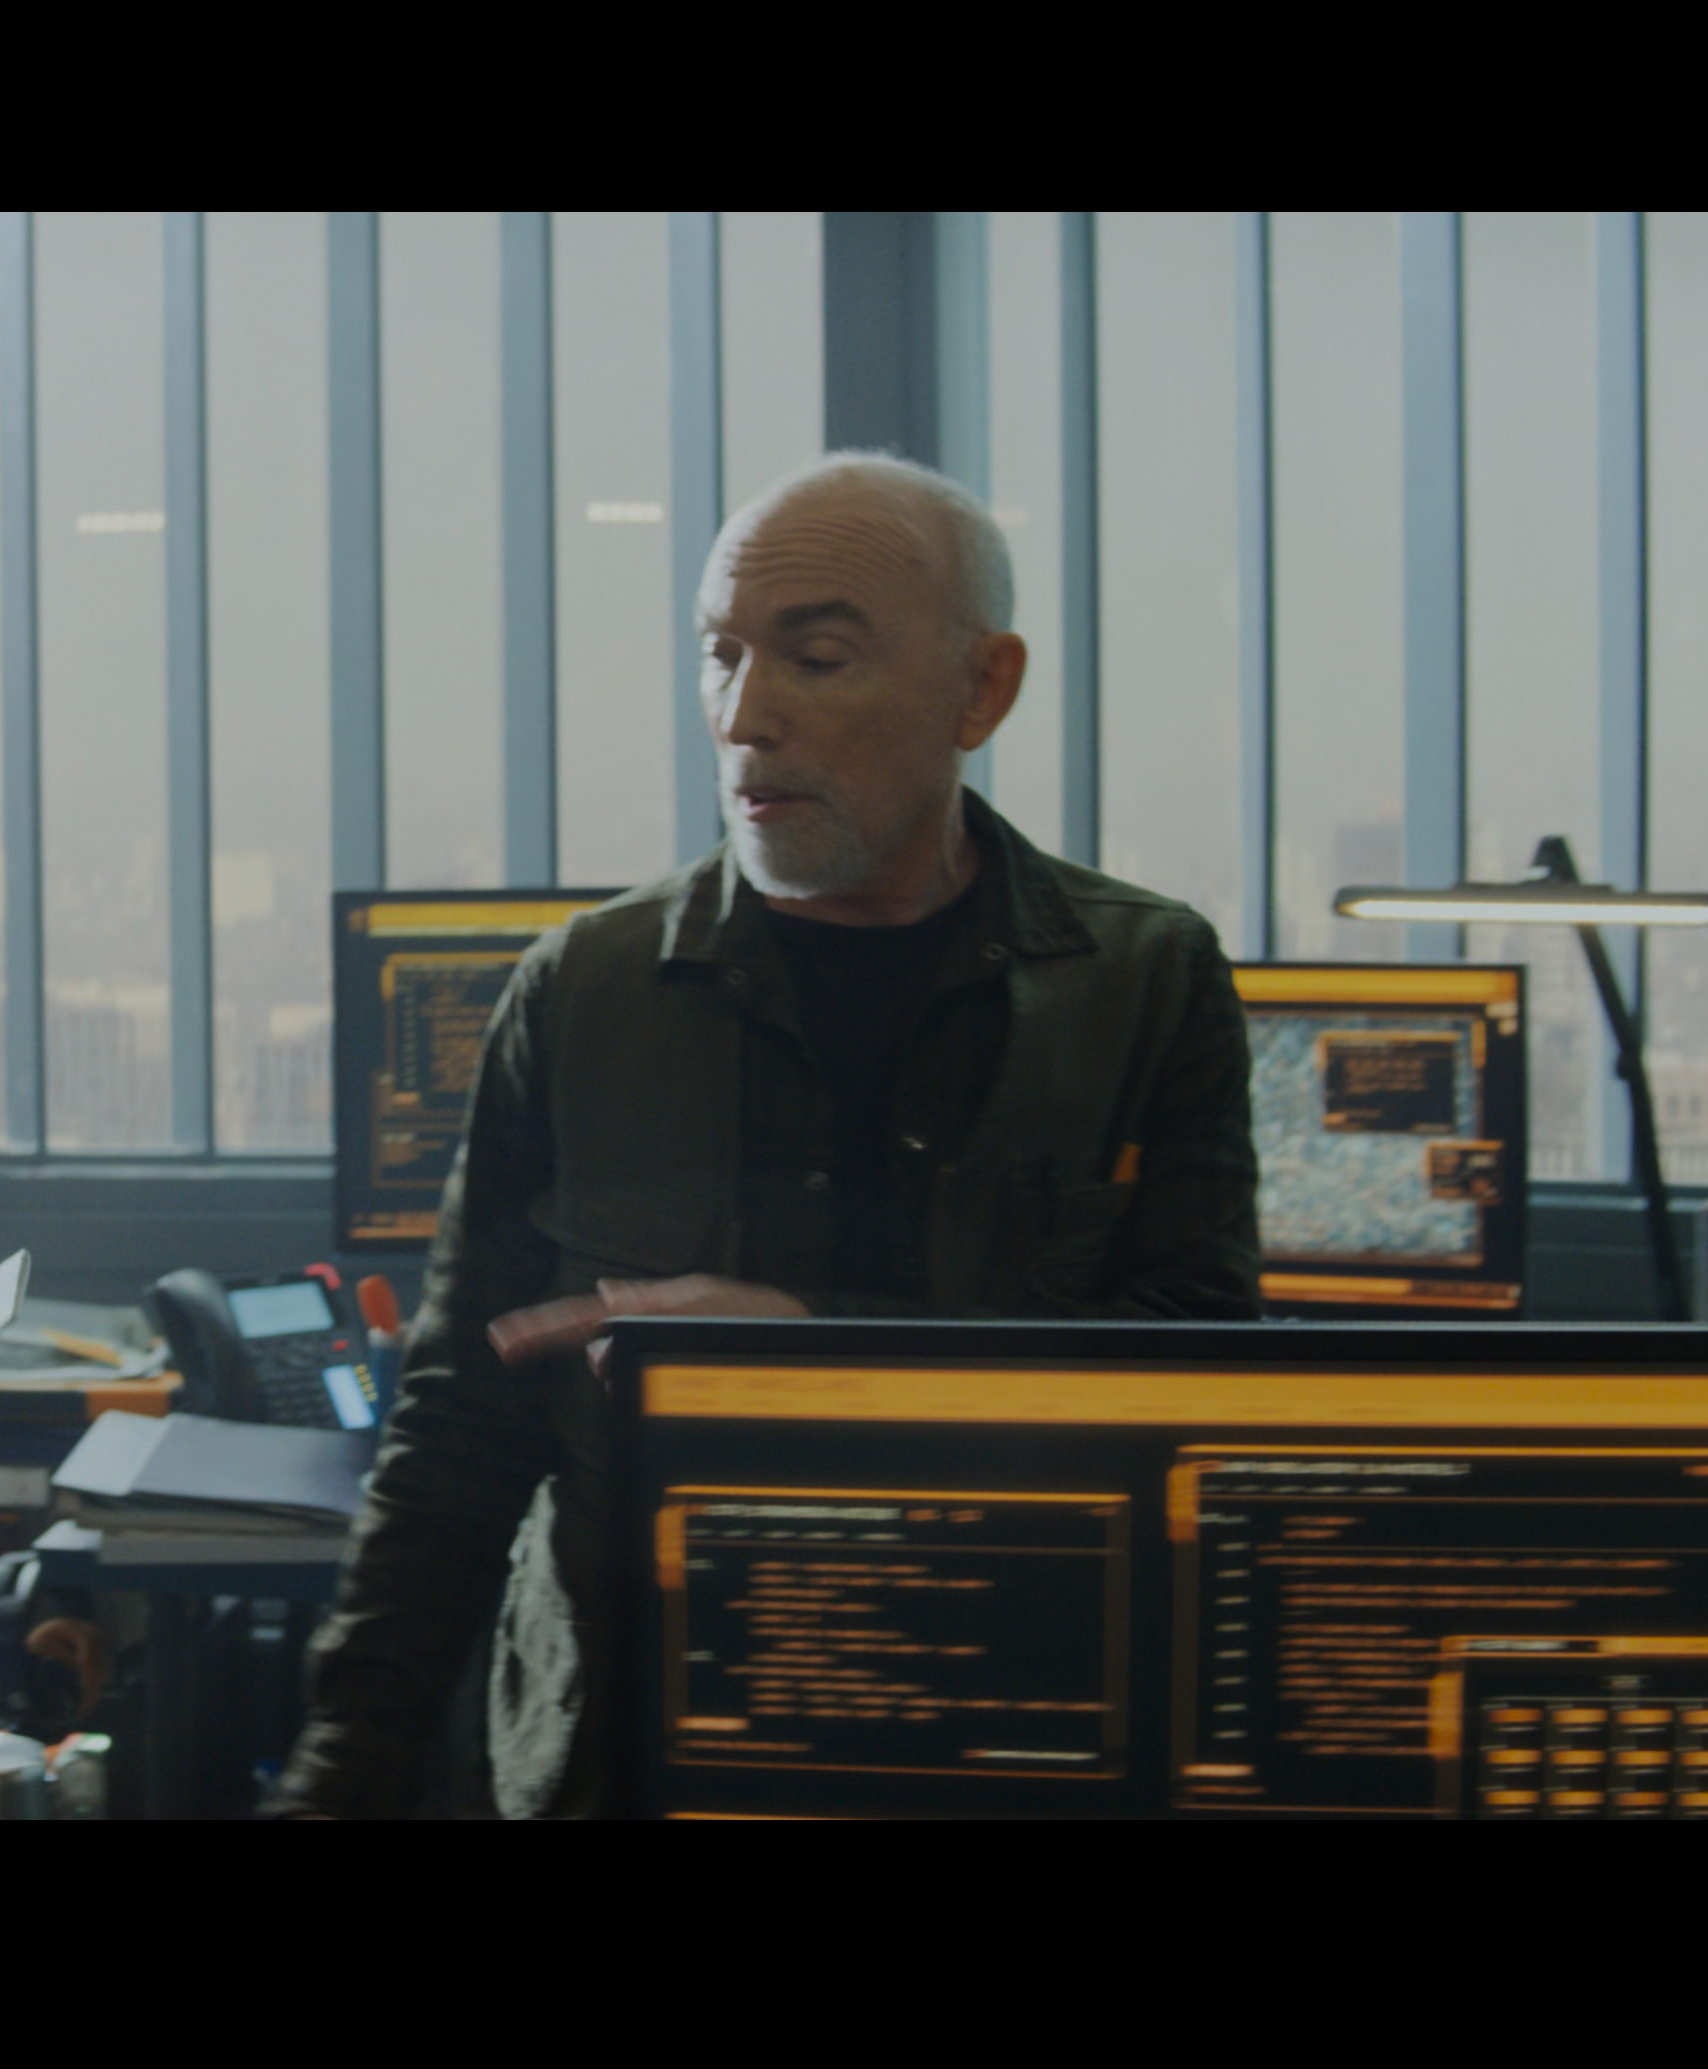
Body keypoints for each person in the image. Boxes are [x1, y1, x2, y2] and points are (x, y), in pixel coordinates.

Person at [276, 452, 1259, 1819]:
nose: (745, 718)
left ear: (982, 689)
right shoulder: (585, 988)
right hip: (629, 1741)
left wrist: (811, 1347)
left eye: (817, 658)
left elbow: (1200, 1377)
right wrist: (343, 1775)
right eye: (720, 656)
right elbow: (459, 1429)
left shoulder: (1143, 981)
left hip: (1002, 1726)